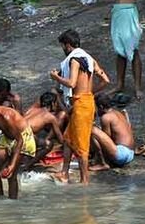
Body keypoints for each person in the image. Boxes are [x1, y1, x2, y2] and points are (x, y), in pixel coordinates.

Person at [50, 29, 110, 184]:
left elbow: (71, 83)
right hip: (86, 101)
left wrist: (56, 77)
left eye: (63, 46)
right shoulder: (89, 58)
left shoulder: (75, 60)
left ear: (68, 45)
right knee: (68, 139)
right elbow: (105, 81)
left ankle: (85, 182)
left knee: (82, 146)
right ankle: (64, 173)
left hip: (82, 105)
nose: (63, 49)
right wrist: (89, 92)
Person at [105, 0, 144, 99]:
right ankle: (119, 84)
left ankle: (137, 87)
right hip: (118, 12)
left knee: (132, 49)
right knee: (119, 50)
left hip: (128, 12)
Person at [89, 94, 135, 171]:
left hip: (121, 154)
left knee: (92, 129)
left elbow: (106, 140)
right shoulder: (118, 113)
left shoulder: (106, 117)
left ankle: (102, 163)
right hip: (131, 153)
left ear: (101, 107)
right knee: (97, 132)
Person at [23, 92, 65, 168]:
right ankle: (28, 165)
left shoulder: (32, 109)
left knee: (35, 137)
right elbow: (60, 138)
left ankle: (28, 157)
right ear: (52, 103)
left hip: (16, 133)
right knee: (49, 144)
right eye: (56, 103)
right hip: (25, 137)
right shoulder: (50, 117)